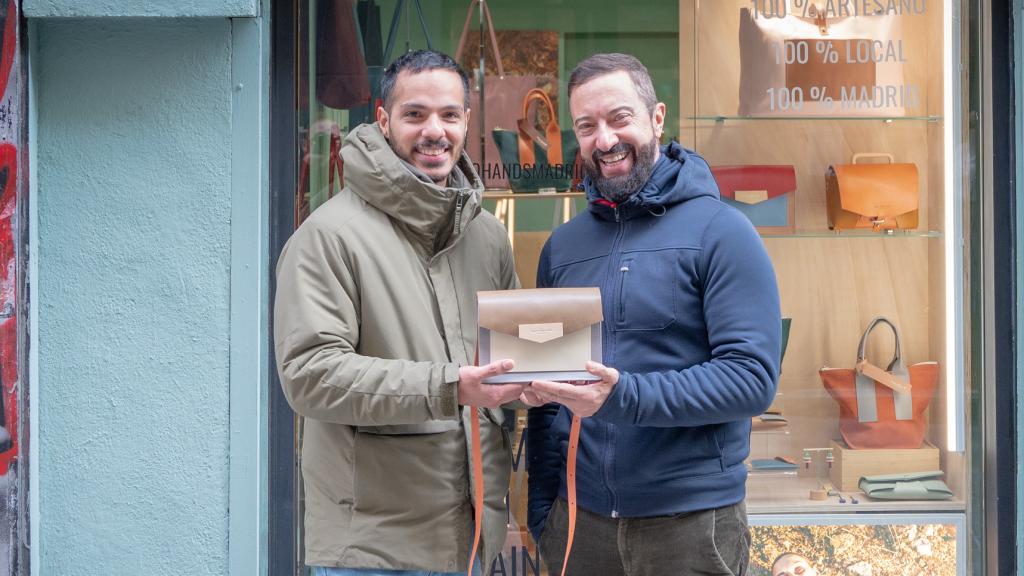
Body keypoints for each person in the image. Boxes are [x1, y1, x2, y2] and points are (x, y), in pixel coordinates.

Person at [524, 53, 781, 576]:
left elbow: (752, 379)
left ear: (657, 117)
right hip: (580, 524)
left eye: (620, 118)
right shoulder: (563, 248)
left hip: (690, 526)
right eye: (587, 126)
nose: (605, 140)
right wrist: (542, 512)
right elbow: (550, 401)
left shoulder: (723, 233)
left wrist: (621, 397)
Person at [274, 49, 528, 576]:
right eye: (415, 114)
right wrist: (451, 386)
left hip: (473, 540)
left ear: (466, 121)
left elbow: (509, 361)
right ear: (383, 119)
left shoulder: (486, 235)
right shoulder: (328, 236)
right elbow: (310, 375)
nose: (434, 131)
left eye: (449, 115)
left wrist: (542, 380)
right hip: (372, 553)